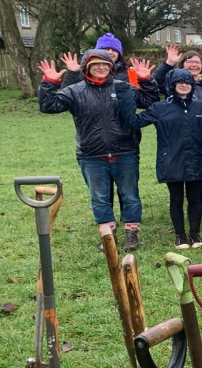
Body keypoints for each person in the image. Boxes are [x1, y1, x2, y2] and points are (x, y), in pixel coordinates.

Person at [37, 51, 159, 252]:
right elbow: (49, 105)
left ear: (111, 67)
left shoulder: (123, 88)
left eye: (105, 64)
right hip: (92, 155)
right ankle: (108, 235)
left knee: (130, 195)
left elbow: (149, 100)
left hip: (125, 151)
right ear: (87, 67)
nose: (101, 67)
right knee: (99, 197)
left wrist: (146, 79)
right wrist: (49, 83)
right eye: (96, 64)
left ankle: (131, 233)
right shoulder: (75, 91)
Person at [119, 69, 202, 249]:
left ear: (192, 85)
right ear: (172, 85)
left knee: (195, 198)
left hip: (196, 159)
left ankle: (195, 235)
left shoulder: (200, 106)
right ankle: (180, 236)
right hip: (171, 160)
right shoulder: (160, 107)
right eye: (179, 82)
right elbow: (134, 122)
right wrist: (127, 98)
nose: (183, 85)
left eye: (187, 82)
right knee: (176, 198)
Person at [153, 45, 202, 222]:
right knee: (181, 177)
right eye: (189, 61)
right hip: (179, 138)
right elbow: (156, 81)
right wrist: (168, 63)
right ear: (182, 64)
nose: (193, 65)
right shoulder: (173, 84)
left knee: (199, 178)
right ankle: (184, 214)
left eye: (197, 62)